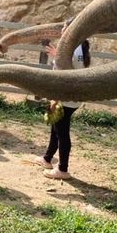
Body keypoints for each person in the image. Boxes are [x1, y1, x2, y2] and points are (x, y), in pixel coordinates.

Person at [36, 18, 91, 180]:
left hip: (65, 96)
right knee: (55, 127)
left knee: (62, 132)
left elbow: (68, 70)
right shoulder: (78, 46)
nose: (61, 31)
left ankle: (63, 169)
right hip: (63, 94)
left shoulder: (73, 49)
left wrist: (56, 56)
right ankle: (47, 159)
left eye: (64, 28)